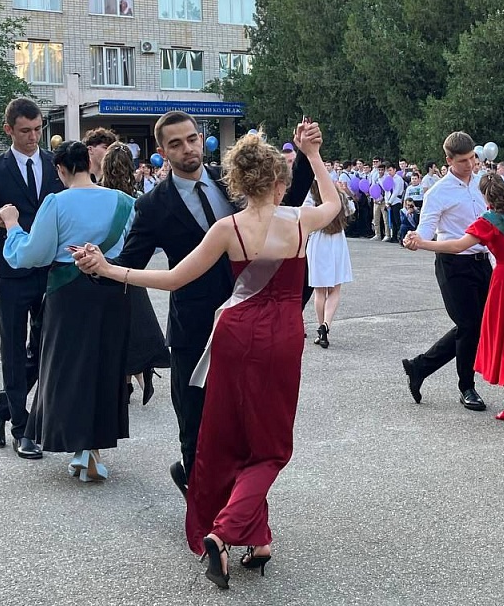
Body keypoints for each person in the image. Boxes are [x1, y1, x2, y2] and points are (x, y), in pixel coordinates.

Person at [75, 126, 339, 589]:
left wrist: (109, 269)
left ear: (236, 181)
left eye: (192, 140)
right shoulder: (298, 220)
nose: (188, 148)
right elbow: (333, 204)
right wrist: (313, 154)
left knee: (235, 434)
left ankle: (255, 536)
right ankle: (224, 531)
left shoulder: (227, 227)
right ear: (277, 181)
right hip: (275, 335)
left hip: (231, 333)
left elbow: (172, 278)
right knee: (270, 445)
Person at [0, 141, 134, 480]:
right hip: (112, 288)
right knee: (104, 367)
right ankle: (91, 448)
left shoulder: (56, 202)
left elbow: (33, 254)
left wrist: (13, 227)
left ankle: (82, 446)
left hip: (68, 291)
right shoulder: (124, 202)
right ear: (89, 162)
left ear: (60, 170)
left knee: (68, 369)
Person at [405, 178, 504, 422]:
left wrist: (423, 243)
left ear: (486, 198)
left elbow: (458, 246)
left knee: (501, 342)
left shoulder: (488, 221)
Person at [0, 98, 64, 458]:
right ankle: (23, 430)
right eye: (25, 131)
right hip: (11, 274)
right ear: (9, 130)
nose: (33, 137)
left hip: (50, 270)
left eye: (38, 129)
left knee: (45, 349)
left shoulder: (54, 165)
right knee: (12, 350)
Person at [400, 132, 492, 412]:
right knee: (468, 325)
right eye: (463, 161)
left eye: (472, 158)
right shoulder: (437, 192)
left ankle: (419, 367)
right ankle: (467, 387)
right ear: (449, 160)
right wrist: (415, 239)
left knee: (479, 324)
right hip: (453, 264)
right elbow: (427, 229)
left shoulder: (483, 182)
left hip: (483, 262)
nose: (470, 165)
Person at [100, 143, 170, 404]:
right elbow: (153, 241)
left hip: (107, 267)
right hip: (132, 267)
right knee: (133, 325)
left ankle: (125, 381)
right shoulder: (138, 198)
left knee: (113, 329)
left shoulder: (99, 196)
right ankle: (137, 375)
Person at [305, 179, 353, 349]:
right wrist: (342, 192)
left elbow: (304, 213)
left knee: (319, 291)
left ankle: (321, 328)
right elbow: (350, 209)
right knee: (334, 289)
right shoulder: (337, 194)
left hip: (318, 240)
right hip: (337, 240)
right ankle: (326, 325)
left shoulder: (311, 194)